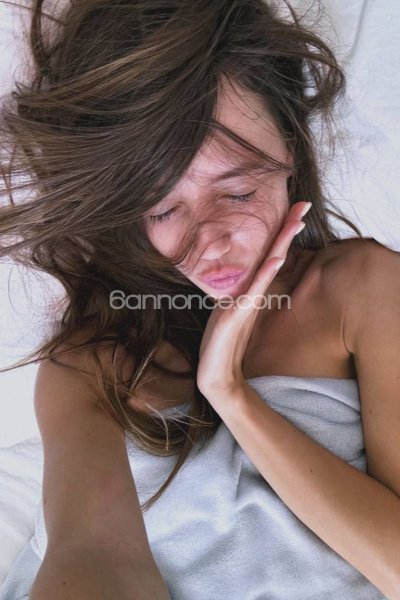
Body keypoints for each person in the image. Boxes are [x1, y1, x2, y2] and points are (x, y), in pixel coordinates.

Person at [0, 0, 399, 598]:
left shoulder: (361, 288)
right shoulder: (93, 359)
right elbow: (92, 556)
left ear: (290, 150)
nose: (210, 242)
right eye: (163, 209)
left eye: (238, 192)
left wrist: (231, 395)